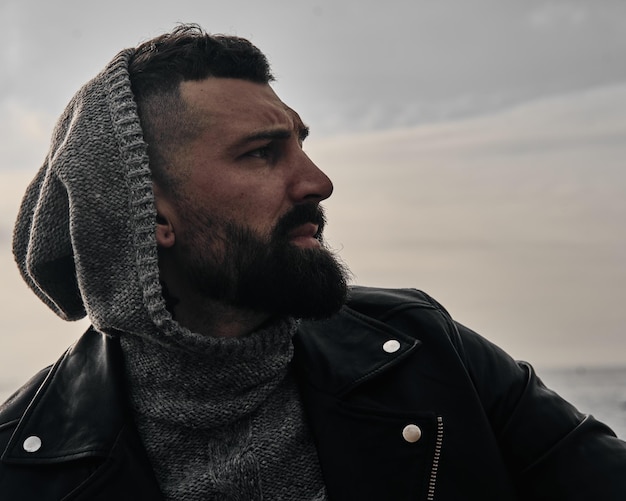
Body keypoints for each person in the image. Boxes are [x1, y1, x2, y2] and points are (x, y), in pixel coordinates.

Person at [0, 24, 624, 501]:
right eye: (262, 154)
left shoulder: (427, 351)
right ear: (149, 212)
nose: (319, 182)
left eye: (303, 145)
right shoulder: (23, 463)